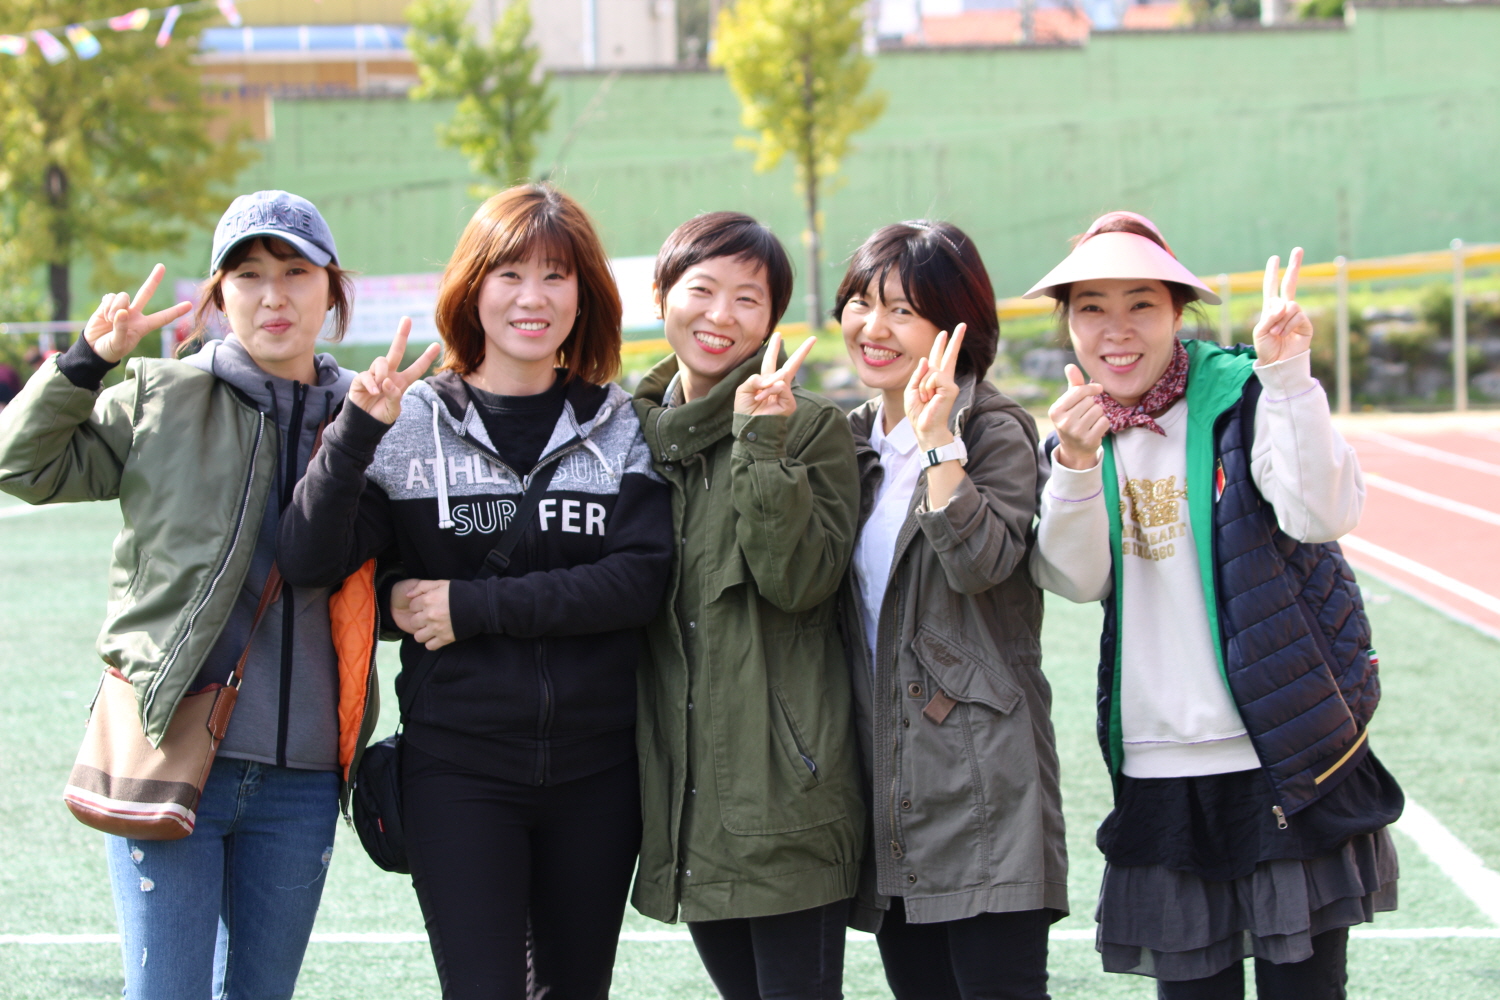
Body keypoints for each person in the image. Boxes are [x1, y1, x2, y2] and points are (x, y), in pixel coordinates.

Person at [277, 183, 674, 1000]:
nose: (533, 298)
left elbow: (638, 582)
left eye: (556, 276)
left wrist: (471, 607)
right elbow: (309, 560)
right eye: (510, 274)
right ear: (473, 288)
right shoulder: (411, 420)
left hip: (599, 772)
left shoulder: (617, 422)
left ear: (585, 296)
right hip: (457, 769)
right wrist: (355, 433)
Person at [0, 189, 382, 1000]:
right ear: (217, 296)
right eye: (248, 275)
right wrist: (86, 362)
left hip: (305, 775)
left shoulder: (369, 414)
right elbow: (20, 465)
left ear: (333, 290)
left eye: (295, 272)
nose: (273, 296)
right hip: (169, 749)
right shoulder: (162, 396)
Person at [1029, 211, 1401, 1000]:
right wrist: (1074, 464)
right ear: (1069, 325)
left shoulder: (1245, 396)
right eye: (1092, 308)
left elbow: (1322, 514)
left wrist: (1289, 377)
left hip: (1281, 754)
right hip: (1160, 767)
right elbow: (1076, 579)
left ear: (1177, 313)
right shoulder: (1078, 432)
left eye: (1141, 304)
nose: (1116, 330)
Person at [631, 212, 865, 1000]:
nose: (720, 316)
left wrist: (761, 446)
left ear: (772, 319)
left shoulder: (811, 430)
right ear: (661, 296)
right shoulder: (631, 437)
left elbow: (800, 582)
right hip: (687, 803)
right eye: (701, 290)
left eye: (748, 299)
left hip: (788, 796)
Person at [835, 220, 1066, 1000]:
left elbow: (981, 564)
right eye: (861, 303)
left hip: (982, 782)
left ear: (954, 327)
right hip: (889, 781)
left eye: (902, 311)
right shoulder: (852, 440)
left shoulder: (993, 429)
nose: (874, 328)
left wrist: (938, 443)